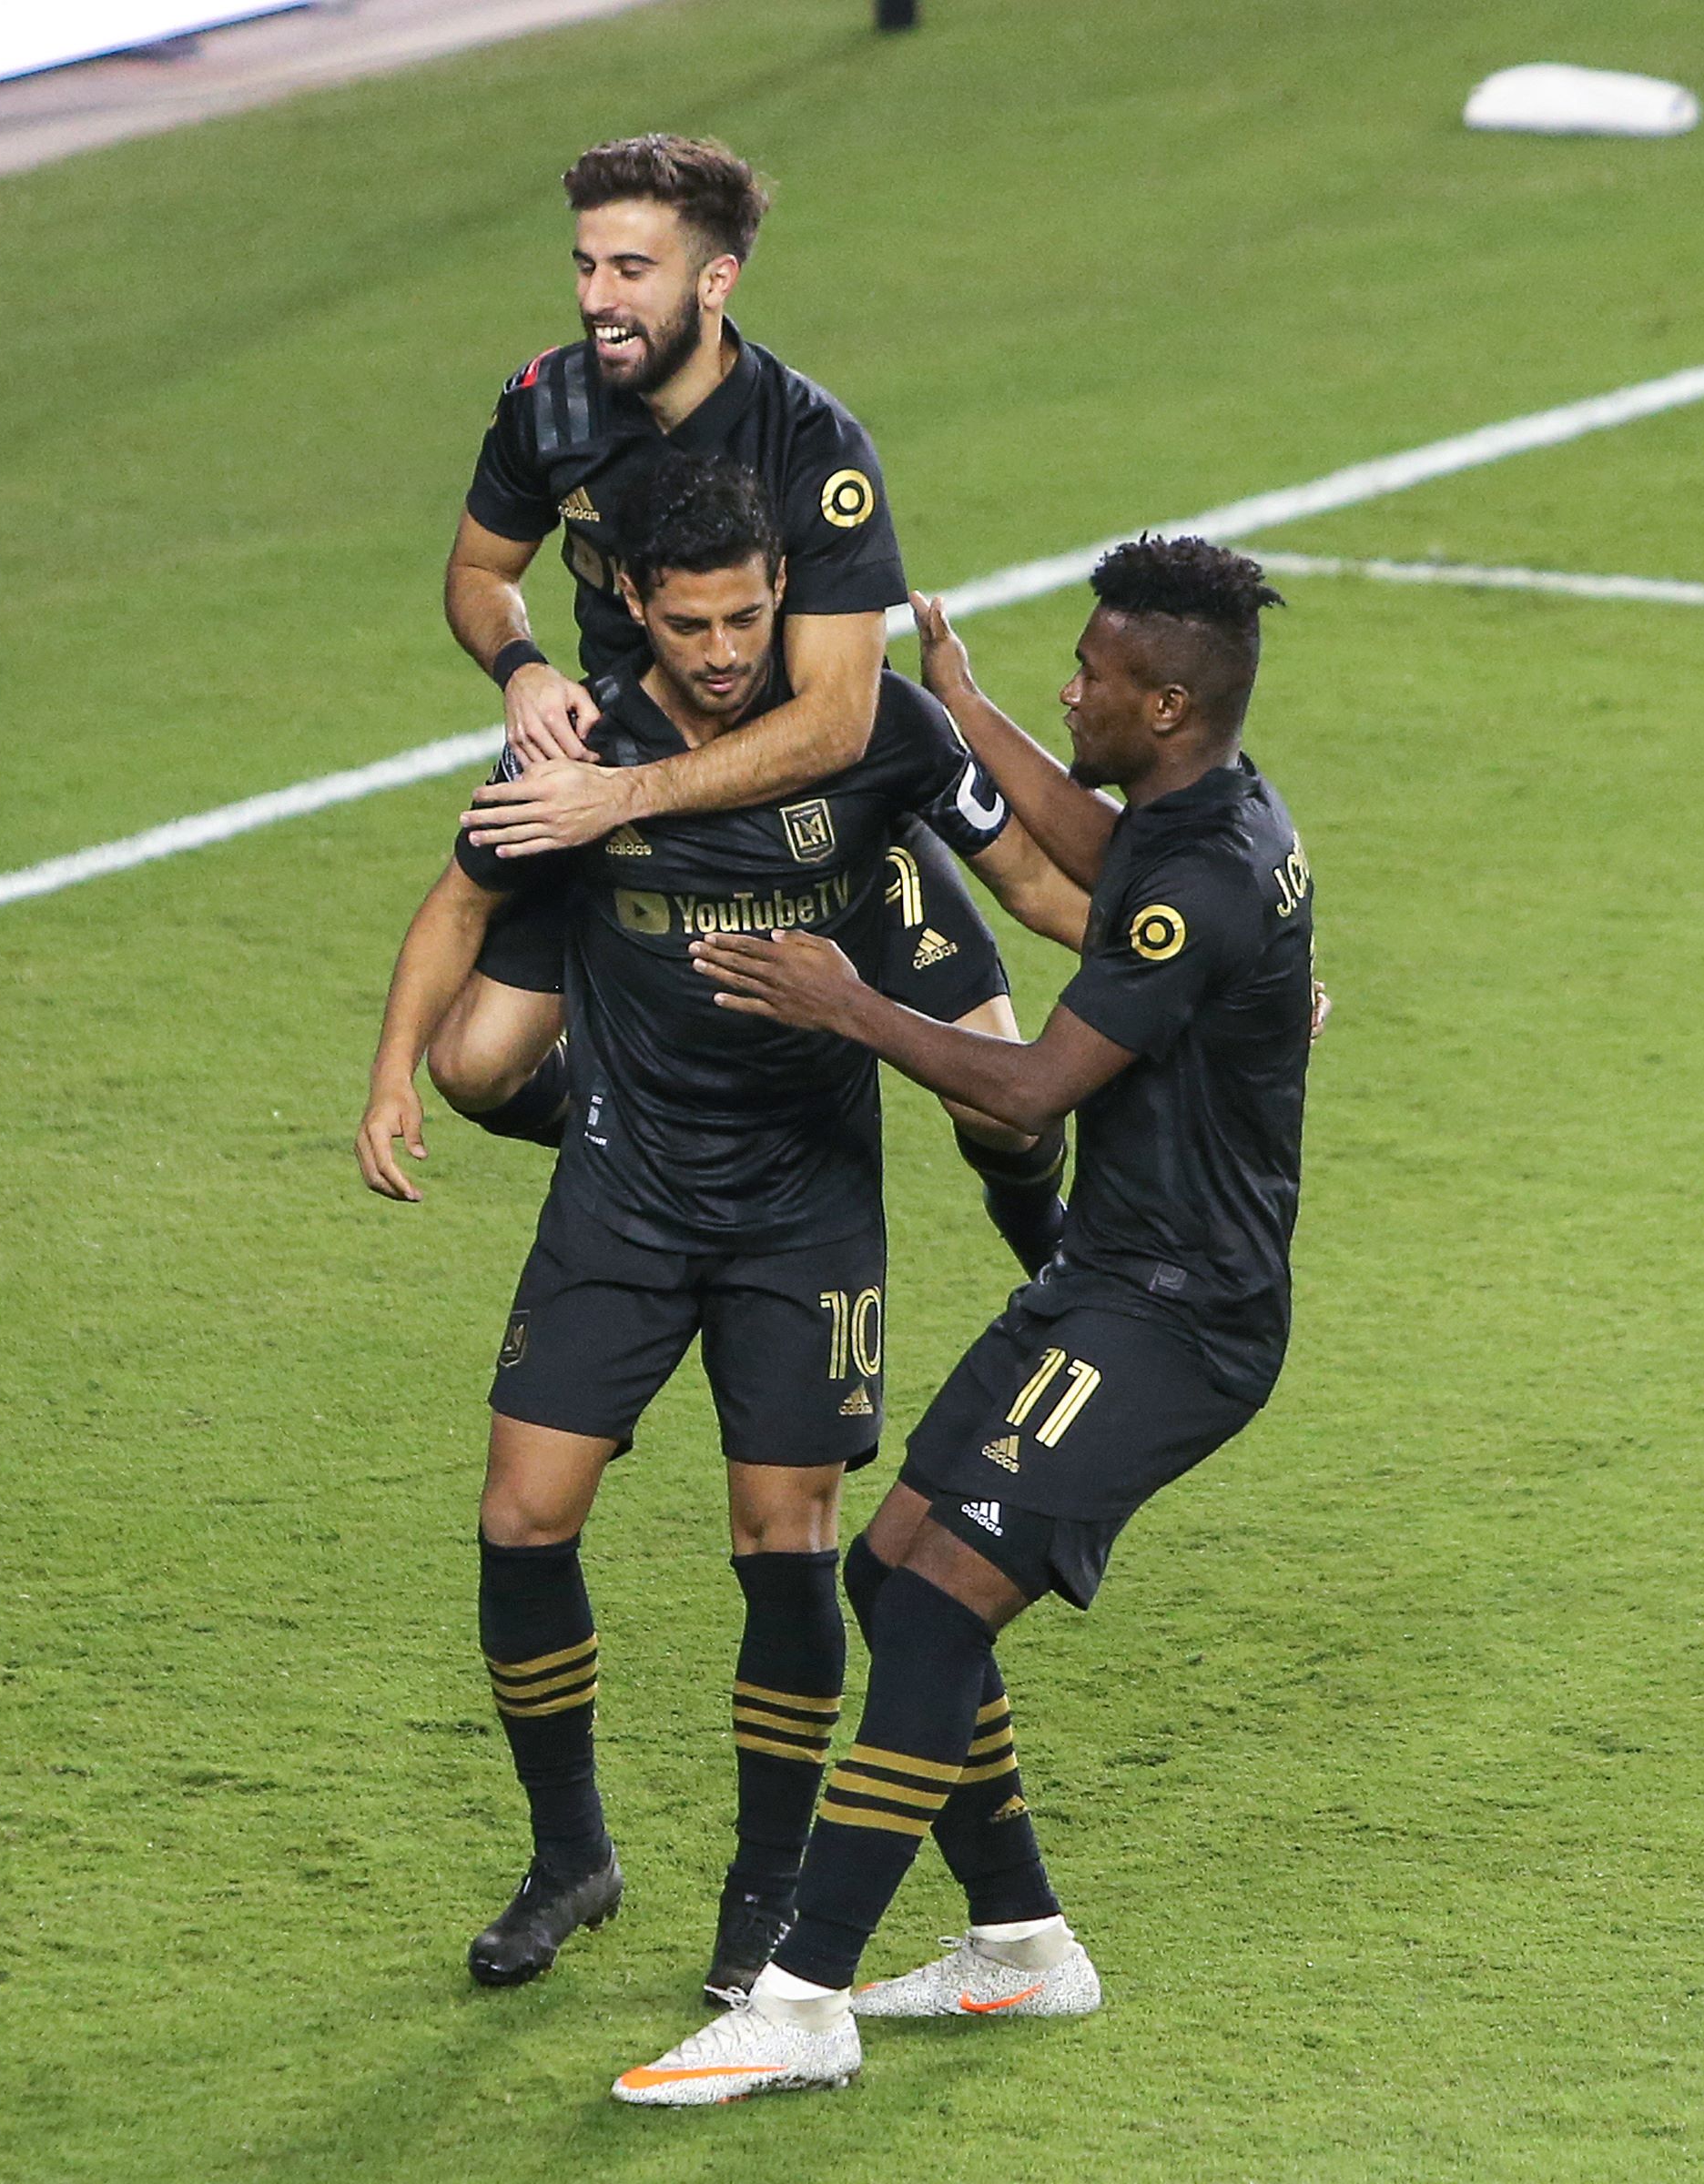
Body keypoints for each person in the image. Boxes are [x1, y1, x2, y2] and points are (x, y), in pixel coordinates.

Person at [359, 459, 1088, 2005]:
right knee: (521, 1516)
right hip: (622, 1195)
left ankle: (759, 1907)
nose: (722, 649)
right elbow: (460, 900)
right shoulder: (584, 742)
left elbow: (1031, 878)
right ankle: (571, 1859)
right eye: (690, 622)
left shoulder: (875, 726)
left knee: (788, 1543)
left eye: (750, 615)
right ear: (634, 603)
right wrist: (388, 1080)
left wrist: (1222, 960)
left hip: (803, 1211)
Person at [614, 538, 1313, 2106]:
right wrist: (973, 708)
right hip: (1110, 1282)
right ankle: (1018, 1944)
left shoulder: (1196, 887)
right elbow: (1090, 836)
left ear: (1172, 701)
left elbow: (1029, 1088)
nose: (1078, 685)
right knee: (888, 1570)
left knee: (938, 1609)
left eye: (1096, 675)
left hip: (1178, 1321)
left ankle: (798, 2001)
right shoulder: (1212, 814)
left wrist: (845, 1001)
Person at [432, 131, 1072, 1273]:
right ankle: (629, 1135)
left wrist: (618, 794)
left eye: (633, 271)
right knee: (476, 1066)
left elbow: (836, 721)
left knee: (1008, 1111)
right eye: (586, 267)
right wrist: (522, 666)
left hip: (811, 817)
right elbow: (480, 574)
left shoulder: (812, 448)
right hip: (623, 806)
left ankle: (1048, 1249)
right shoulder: (550, 408)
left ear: (714, 281)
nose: (597, 301)